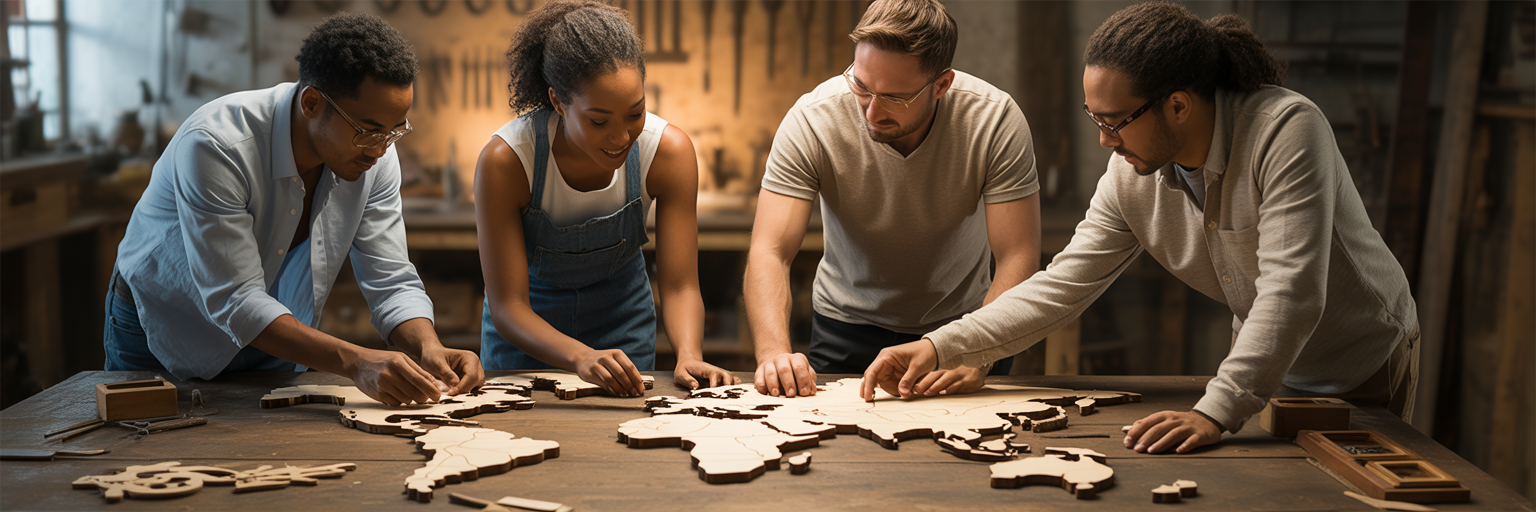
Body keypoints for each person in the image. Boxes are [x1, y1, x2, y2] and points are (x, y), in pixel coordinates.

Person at [861, 1, 1419, 455]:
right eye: (1094, 118)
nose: (1105, 140)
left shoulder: (1286, 131)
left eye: (1114, 121)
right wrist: (940, 346)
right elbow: (1061, 287)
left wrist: (1215, 410)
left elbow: (1291, 293)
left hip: (1360, 361)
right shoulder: (1131, 174)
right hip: (1266, 370)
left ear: (1177, 106)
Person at [106, 13, 483, 406]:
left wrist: (428, 347)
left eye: (395, 130)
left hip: (277, 333)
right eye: (368, 131)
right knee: (142, 437)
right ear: (312, 103)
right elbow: (236, 299)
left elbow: (390, 278)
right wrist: (355, 361)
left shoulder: (375, 156)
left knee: (273, 441)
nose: (380, 149)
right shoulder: (217, 145)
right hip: (165, 325)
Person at [747, 0, 1042, 398]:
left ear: (941, 85)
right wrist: (772, 353)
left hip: (965, 327)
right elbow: (770, 250)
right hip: (845, 325)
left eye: (895, 98)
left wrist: (977, 349)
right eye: (861, 87)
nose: (871, 112)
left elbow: (1018, 255)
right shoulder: (813, 120)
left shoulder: (994, 121)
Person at [476, 1, 736, 395]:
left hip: (622, 328)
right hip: (526, 338)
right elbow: (508, 306)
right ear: (558, 103)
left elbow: (681, 285)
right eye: (599, 121)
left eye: (635, 113)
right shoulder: (508, 161)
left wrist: (688, 353)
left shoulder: (668, 153)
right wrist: (580, 355)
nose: (621, 137)